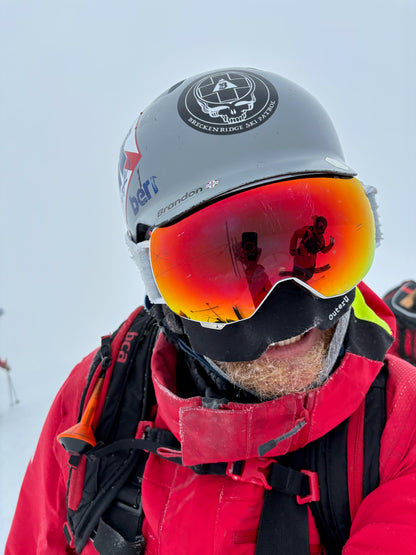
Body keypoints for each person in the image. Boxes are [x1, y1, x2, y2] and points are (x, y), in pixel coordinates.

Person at [6, 68, 416, 554]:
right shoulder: (100, 402)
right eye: (223, 268)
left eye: (308, 249)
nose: (286, 310)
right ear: (157, 286)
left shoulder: (398, 432)